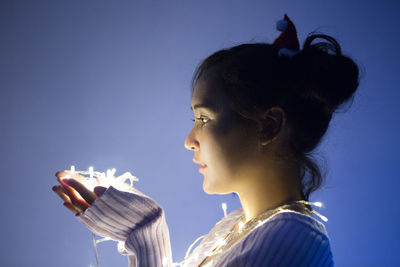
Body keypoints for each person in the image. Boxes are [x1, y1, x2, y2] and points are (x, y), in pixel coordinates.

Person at [52, 14, 359, 266]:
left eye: (204, 119)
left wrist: (145, 231)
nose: (189, 140)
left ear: (268, 126)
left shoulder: (293, 237)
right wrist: (137, 230)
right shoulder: (233, 229)